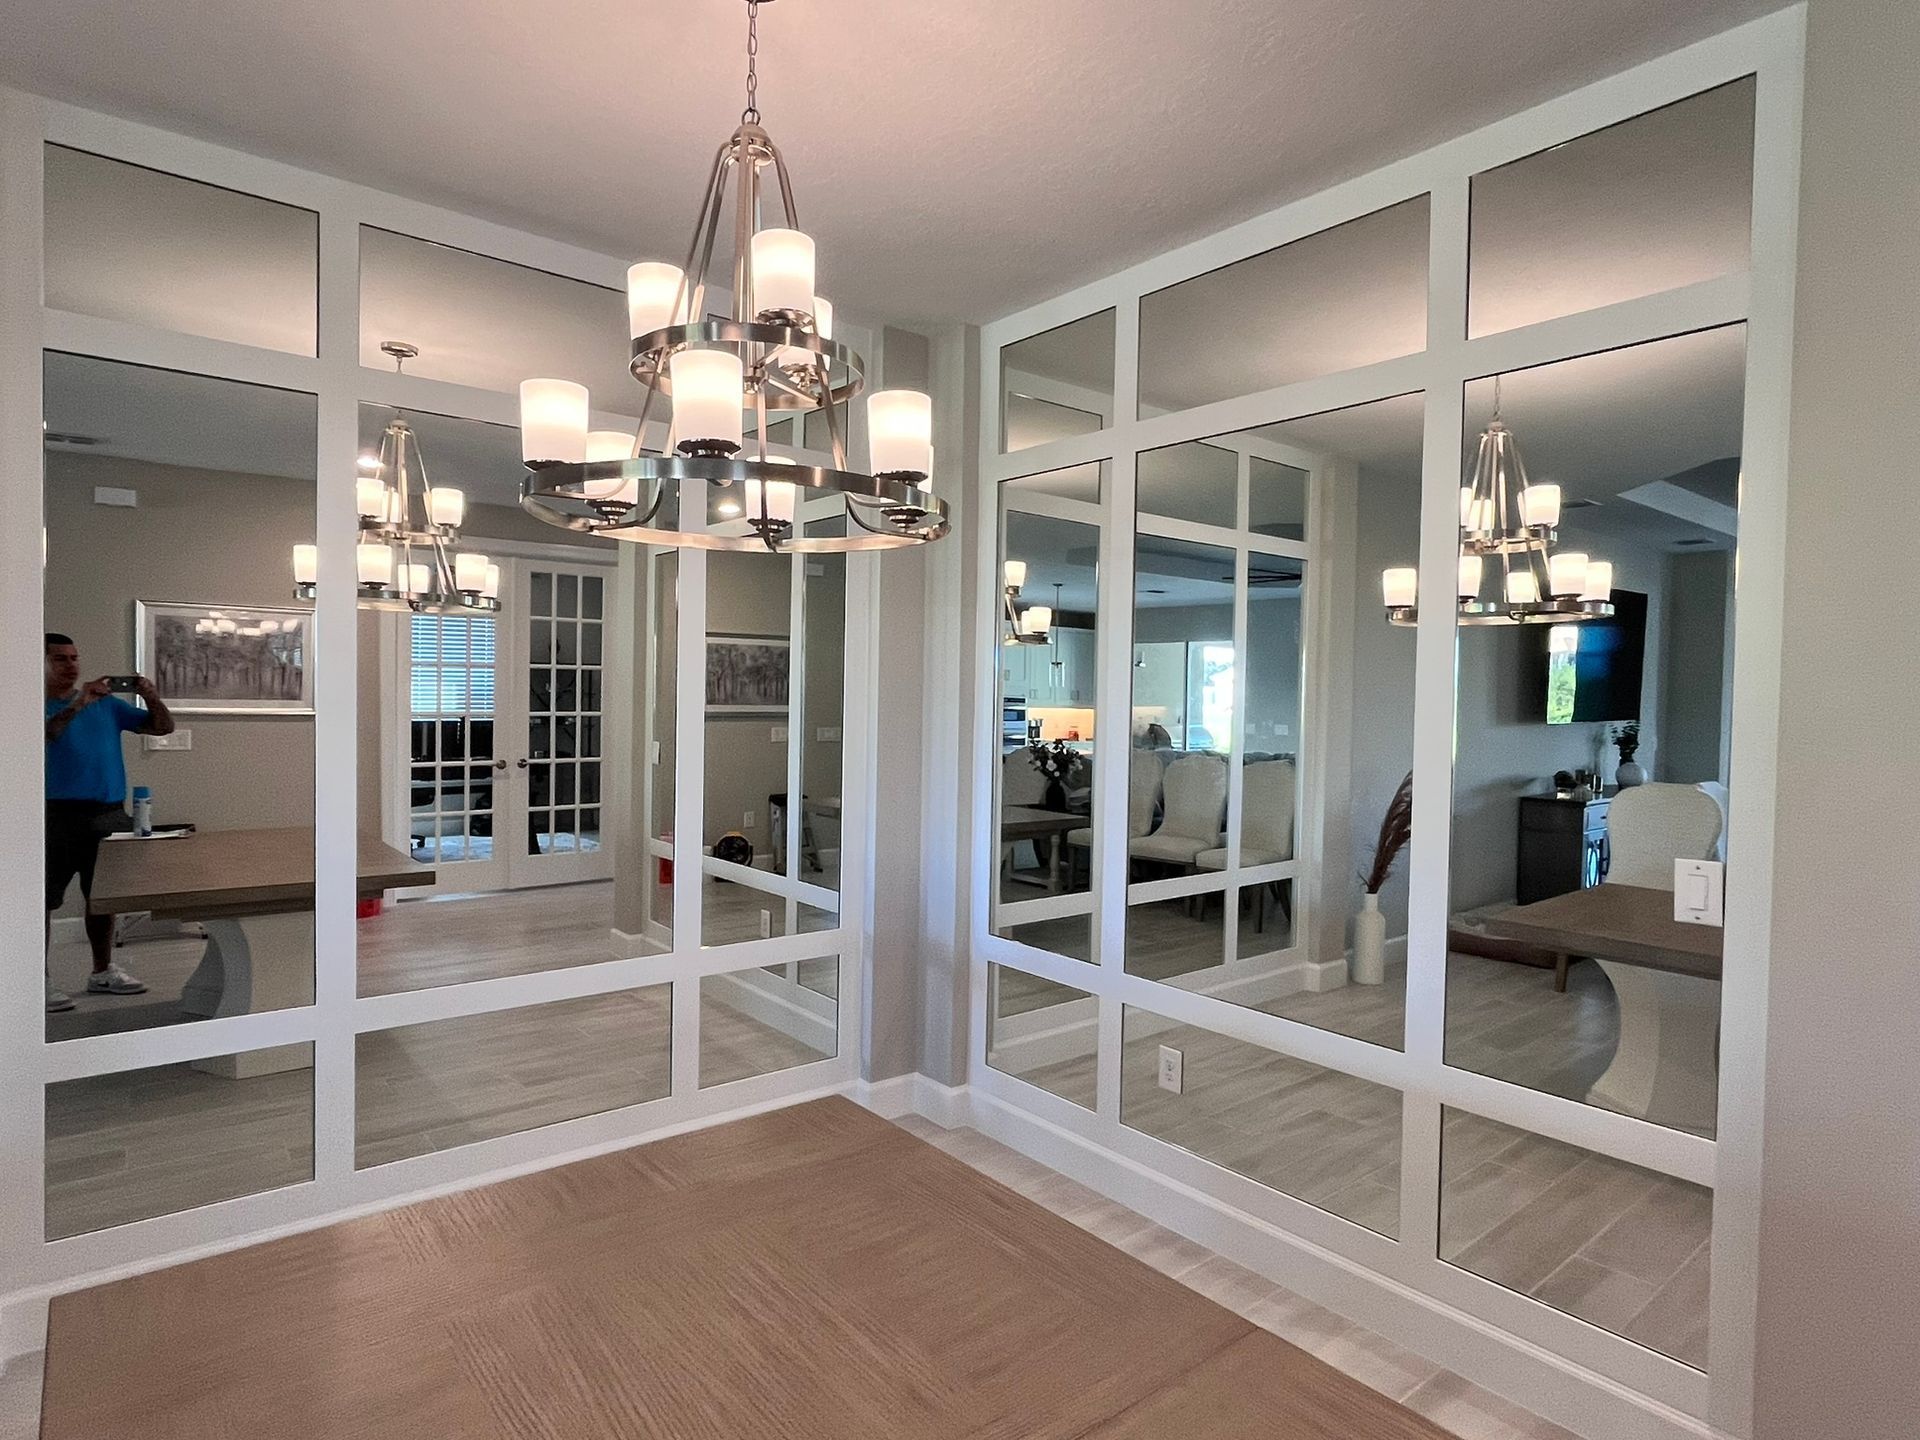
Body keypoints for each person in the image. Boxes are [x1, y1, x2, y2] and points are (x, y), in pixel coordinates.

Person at [44, 632, 175, 1012]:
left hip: (108, 813)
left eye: (75, 657)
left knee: (101, 898)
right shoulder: (33, 702)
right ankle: (37, 980)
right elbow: (48, 734)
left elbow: (161, 727)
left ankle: (102, 971)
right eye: (61, 659)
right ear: (43, 663)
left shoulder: (109, 706)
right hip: (57, 814)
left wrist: (150, 695)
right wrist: (79, 703)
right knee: (44, 901)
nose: (71, 664)